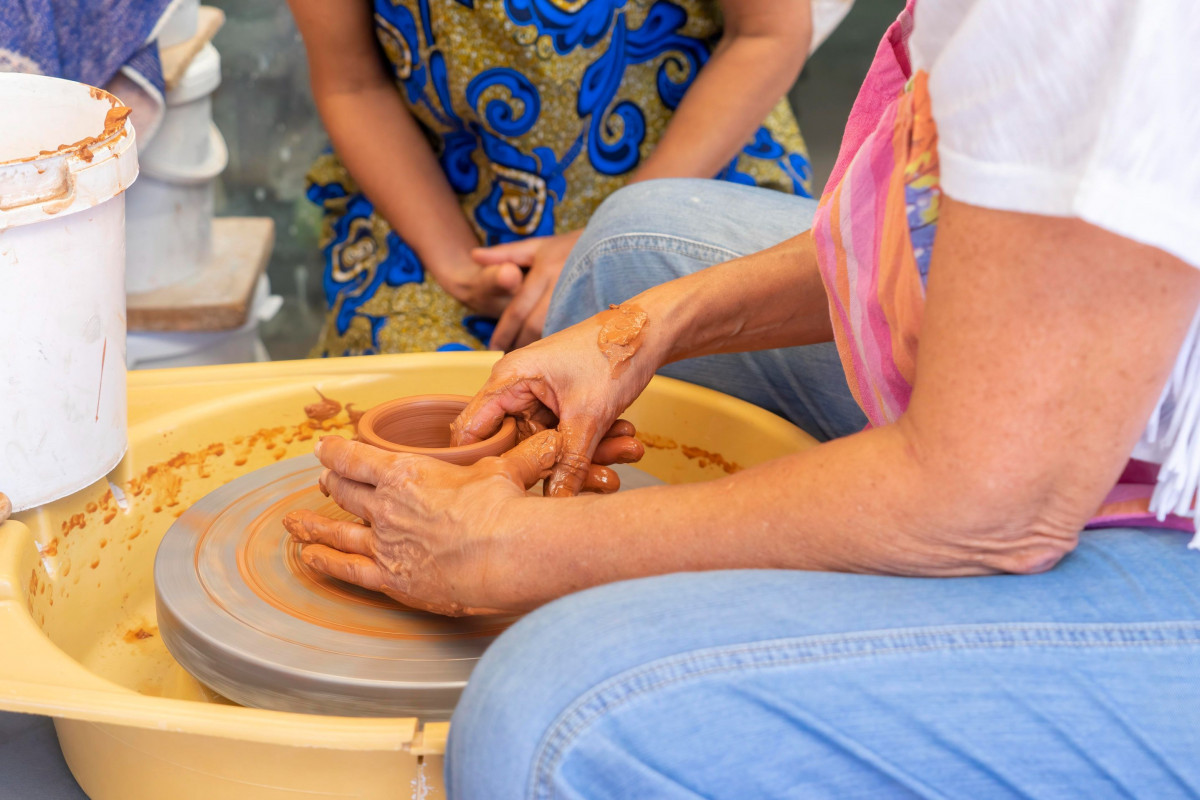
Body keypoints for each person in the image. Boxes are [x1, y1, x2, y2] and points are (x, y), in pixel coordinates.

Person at [283, 0, 1200, 795]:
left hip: (1134, 518)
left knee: (549, 716)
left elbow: (991, 504)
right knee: (628, 248)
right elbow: (961, 234)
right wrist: (657, 323)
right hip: (1086, 379)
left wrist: (510, 548)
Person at [290, 0, 826, 357]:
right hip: (443, 208)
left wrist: (612, 239)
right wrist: (458, 267)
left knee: (704, 424)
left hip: (693, 179)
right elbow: (353, 84)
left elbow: (767, 33)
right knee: (411, 414)